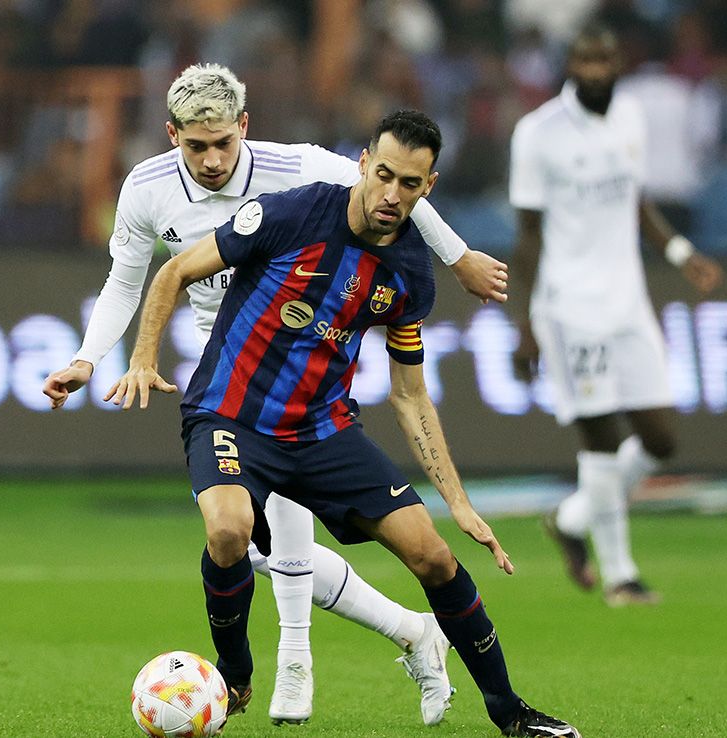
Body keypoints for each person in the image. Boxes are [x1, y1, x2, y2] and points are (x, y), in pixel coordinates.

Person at [44, 64, 508, 726]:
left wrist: (458, 255)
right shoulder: (145, 187)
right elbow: (130, 279)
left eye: (222, 144)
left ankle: (295, 662)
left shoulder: (294, 168)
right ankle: (408, 631)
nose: (210, 160)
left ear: (245, 129)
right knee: (249, 544)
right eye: (194, 146)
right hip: (226, 357)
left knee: (278, 532)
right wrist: (93, 358)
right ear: (171, 134)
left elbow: (394, 183)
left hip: (297, 360)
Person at [107, 109, 580, 737]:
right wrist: (142, 357)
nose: (391, 195)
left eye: (409, 184)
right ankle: (236, 672)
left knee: (435, 558)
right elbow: (174, 270)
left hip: (322, 433)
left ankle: (511, 713)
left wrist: (458, 503)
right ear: (363, 163)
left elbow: (411, 395)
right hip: (229, 415)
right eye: (382, 175)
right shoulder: (291, 213)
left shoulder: (409, 274)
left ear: (427, 187)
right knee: (229, 530)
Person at [508, 25, 722, 606]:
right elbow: (527, 237)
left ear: (617, 63)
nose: (596, 70)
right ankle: (622, 576)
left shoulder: (630, 116)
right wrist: (525, 323)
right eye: (585, 61)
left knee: (661, 438)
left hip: (629, 302)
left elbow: (637, 200)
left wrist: (680, 252)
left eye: (605, 60)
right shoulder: (538, 134)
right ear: (569, 66)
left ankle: (572, 518)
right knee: (601, 440)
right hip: (570, 306)